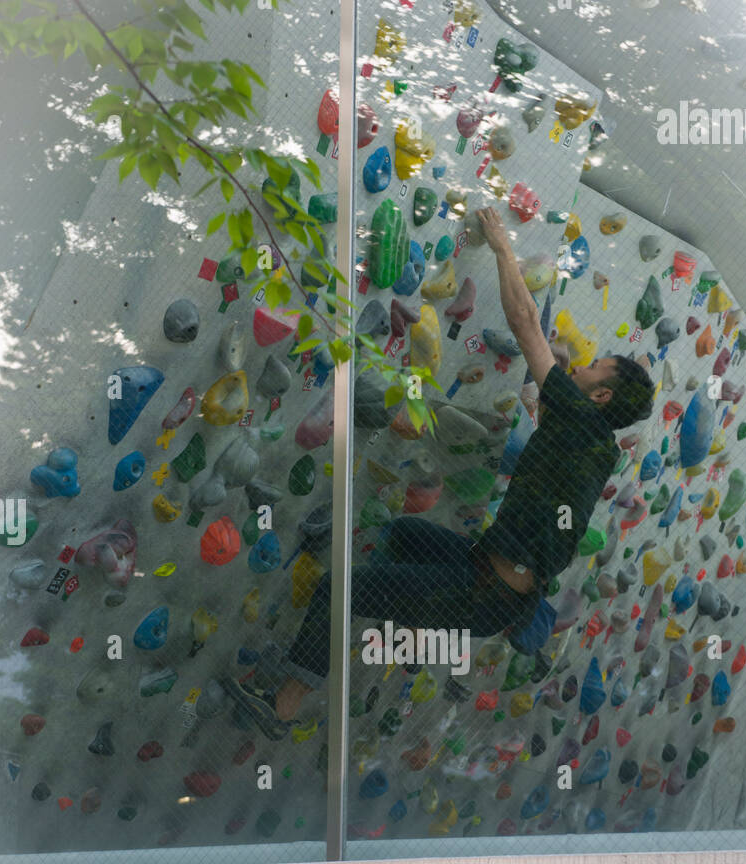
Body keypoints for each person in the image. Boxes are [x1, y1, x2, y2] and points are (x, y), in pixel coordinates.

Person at [228, 205, 655, 730]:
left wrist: (502, 246)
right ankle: (405, 618)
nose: (581, 369)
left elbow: (523, 325)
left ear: (602, 394)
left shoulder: (580, 421)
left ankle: (284, 704)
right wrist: (560, 359)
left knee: (339, 589)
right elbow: (547, 390)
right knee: (404, 532)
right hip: (487, 578)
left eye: (593, 369)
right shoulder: (592, 441)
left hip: (484, 594)